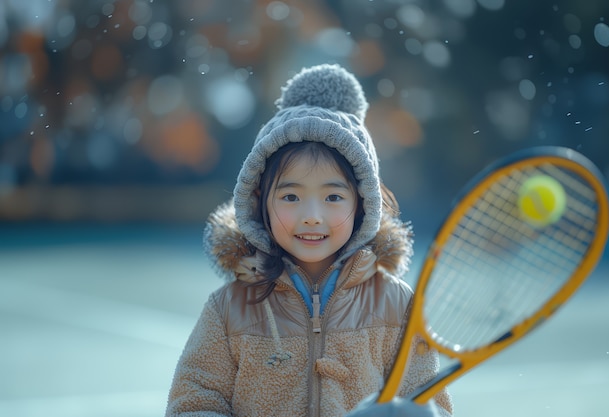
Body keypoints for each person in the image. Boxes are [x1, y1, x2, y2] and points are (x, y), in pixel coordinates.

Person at [164, 64, 453, 417]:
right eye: (290, 197)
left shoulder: (395, 305)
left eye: (333, 197)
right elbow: (194, 403)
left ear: (363, 204)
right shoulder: (228, 309)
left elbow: (430, 402)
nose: (312, 215)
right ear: (259, 203)